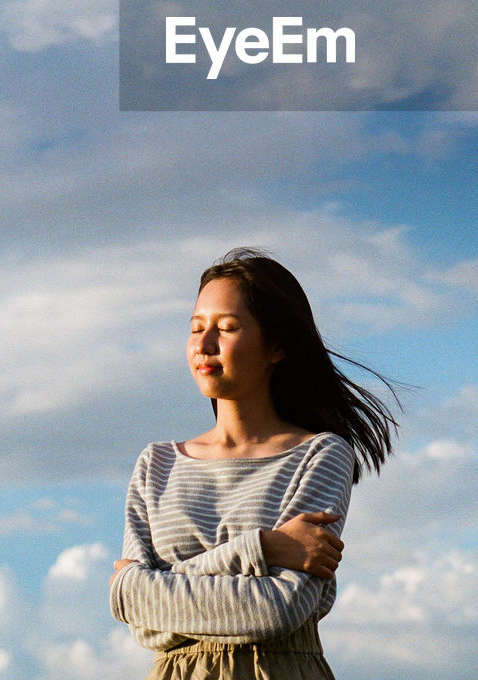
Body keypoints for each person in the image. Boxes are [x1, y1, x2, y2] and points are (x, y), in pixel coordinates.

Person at [109, 248, 399, 678]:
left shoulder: (320, 453)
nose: (204, 345)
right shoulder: (157, 464)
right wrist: (263, 548)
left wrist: (148, 585)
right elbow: (138, 617)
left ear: (277, 346)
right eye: (196, 328)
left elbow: (278, 610)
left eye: (226, 327)